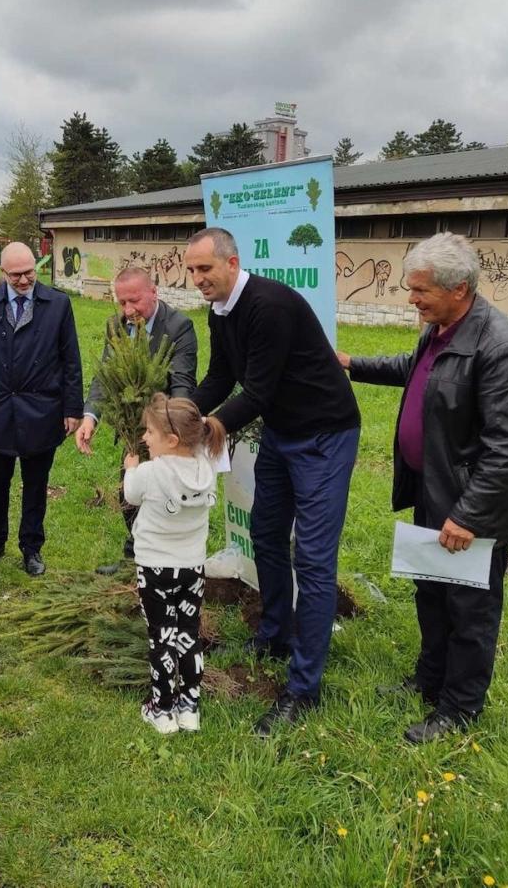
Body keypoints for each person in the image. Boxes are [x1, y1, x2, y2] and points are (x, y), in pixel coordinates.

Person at [184, 227, 360, 736]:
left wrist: (205, 431)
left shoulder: (270, 306)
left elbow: (256, 392)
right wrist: (180, 415)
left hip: (325, 435)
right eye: (191, 270)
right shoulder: (220, 310)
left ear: (232, 263)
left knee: (313, 557)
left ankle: (304, 688)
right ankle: (277, 633)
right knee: (265, 533)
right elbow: (221, 379)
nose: (197, 280)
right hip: (284, 435)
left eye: (205, 269)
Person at [339, 232, 508, 742]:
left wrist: (470, 516)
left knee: (470, 609)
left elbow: (506, 446)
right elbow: (412, 371)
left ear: (459, 288)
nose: (410, 298)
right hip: (431, 490)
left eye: (420, 291)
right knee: (432, 594)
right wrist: (352, 364)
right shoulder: (440, 331)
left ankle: (460, 709)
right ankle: (429, 680)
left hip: (466, 506)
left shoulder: (498, 346)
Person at [0, 241, 83, 576]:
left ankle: (31, 548)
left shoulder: (58, 304)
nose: (23, 280)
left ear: (37, 267)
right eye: (15, 274)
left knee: (35, 484)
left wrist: (71, 407)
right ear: (2, 273)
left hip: (42, 409)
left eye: (29, 272)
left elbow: (70, 360)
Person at [75, 266, 198, 573]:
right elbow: (106, 375)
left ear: (153, 293)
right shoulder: (115, 326)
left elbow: (181, 383)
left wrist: (171, 432)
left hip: (165, 434)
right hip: (131, 432)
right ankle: (135, 562)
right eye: (121, 303)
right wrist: (90, 417)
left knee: (160, 500)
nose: (128, 310)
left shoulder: (179, 326)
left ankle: (161, 567)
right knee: (128, 493)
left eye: (135, 301)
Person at [124, 394, 223, 735]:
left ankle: (162, 710)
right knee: (188, 635)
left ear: (172, 440)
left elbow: (130, 495)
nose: (144, 438)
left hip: (155, 568)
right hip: (192, 567)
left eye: (149, 432)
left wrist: (131, 468)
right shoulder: (206, 468)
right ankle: (189, 707)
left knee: (161, 637)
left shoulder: (150, 473)